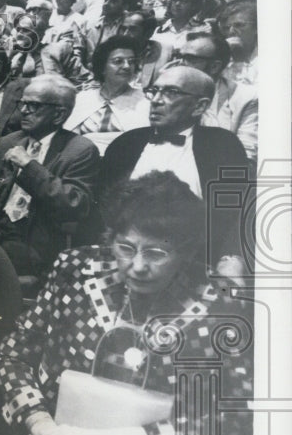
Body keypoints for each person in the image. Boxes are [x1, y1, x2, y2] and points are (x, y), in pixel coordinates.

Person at [0, 172, 252, 435]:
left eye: (157, 253)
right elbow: (14, 355)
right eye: (126, 248)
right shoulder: (74, 270)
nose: (138, 266)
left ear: (188, 251)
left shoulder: (221, 303)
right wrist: (42, 428)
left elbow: (234, 422)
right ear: (110, 239)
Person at [100, 65, 251, 277]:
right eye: (154, 91)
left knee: (227, 294)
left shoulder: (223, 145)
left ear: (199, 106)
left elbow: (238, 214)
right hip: (124, 263)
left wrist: (231, 258)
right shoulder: (125, 144)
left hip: (198, 266)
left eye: (170, 93)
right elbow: (99, 213)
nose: (156, 100)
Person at [0, 74, 100, 279]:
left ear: (59, 114)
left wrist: (29, 166)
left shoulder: (80, 150)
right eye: (22, 103)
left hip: (34, 248)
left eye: (33, 106)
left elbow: (74, 205)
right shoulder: (8, 142)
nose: (23, 111)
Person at [176, 31, 258, 165]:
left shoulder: (246, 98)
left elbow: (246, 157)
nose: (181, 64)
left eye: (191, 59)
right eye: (180, 57)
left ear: (215, 66)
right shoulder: (168, 92)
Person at [62, 36, 150, 155]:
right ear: (102, 67)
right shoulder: (82, 98)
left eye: (131, 61)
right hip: (78, 162)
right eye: (118, 61)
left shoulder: (144, 102)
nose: (127, 66)